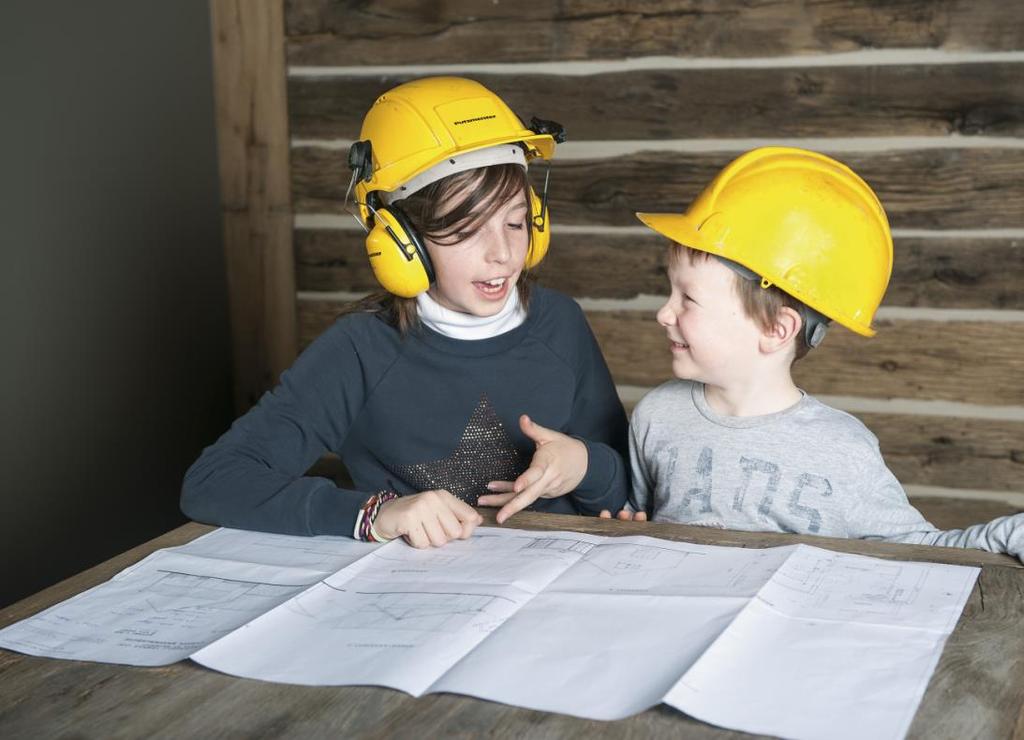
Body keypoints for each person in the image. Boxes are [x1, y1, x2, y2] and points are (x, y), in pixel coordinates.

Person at [182, 77, 629, 547]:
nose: (503, 253)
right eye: (465, 231)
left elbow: (627, 495)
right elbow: (213, 481)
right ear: (402, 242)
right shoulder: (359, 350)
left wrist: (584, 465)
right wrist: (374, 513)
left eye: (516, 222)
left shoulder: (561, 324)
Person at [602, 146, 1024, 561]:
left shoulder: (843, 448)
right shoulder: (657, 415)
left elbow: (916, 549)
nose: (663, 312)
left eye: (688, 299)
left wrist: (1004, 535)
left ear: (775, 329)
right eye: (669, 291)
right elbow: (647, 523)